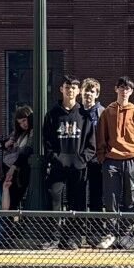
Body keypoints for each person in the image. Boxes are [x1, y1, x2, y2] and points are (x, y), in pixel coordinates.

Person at [44, 77, 92, 214]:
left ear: (78, 91)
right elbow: (47, 141)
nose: (70, 90)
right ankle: (54, 233)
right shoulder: (52, 115)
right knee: (53, 197)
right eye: (67, 87)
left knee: (77, 201)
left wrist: (82, 159)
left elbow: (91, 142)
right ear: (61, 89)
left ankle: (74, 234)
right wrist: (54, 158)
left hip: (78, 166)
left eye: (73, 88)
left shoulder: (84, 115)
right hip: (57, 165)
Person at [1, 105, 35, 209]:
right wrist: (6, 144)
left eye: (24, 120)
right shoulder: (18, 133)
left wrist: (14, 166)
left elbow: (27, 152)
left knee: (15, 198)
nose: (23, 124)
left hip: (20, 170)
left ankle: (12, 219)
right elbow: (5, 143)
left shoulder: (33, 132)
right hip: (9, 167)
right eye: (20, 122)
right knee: (7, 195)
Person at [78, 79, 104, 212]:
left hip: (96, 159)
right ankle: (79, 225)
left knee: (96, 193)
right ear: (81, 92)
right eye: (86, 90)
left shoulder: (102, 113)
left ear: (97, 94)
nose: (88, 94)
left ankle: (96, 226)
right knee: (78, 193)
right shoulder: (76, 111)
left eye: (92, 91)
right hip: (79, 158)